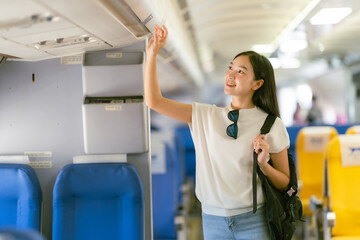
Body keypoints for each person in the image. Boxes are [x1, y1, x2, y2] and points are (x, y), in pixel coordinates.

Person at [145, 25, 290, 240]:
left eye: (240, 71)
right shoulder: (203, 115)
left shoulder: (271, 124)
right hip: (212, 220)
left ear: (257, 84)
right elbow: (154, 102)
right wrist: (152, 55)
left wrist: (263, 165)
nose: (230, 74)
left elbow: (284, 182)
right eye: (230, 68)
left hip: (254, 220)